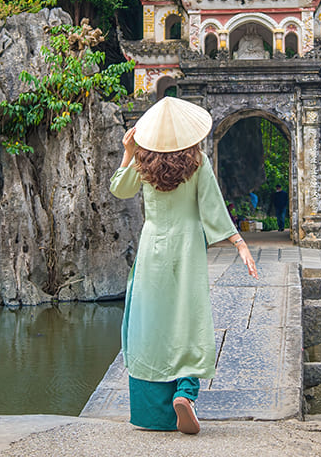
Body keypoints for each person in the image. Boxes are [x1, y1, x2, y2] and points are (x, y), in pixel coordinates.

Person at [110, 97, 258, 435]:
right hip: (187, 247)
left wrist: (129, 151)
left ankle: (154, 416)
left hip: (152, 248)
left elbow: (119, 189)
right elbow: (212, 206)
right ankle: (186, 393)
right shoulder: (197, 161)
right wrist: (238, 242)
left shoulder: (143, 162)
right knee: (188, 317)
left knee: (151, 323)